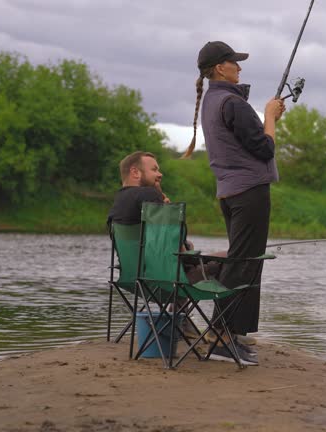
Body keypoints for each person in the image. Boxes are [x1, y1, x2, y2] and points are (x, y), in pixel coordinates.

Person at [182, 41, 284, 360]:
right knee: (244, 265)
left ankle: (226, 332)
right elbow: (265, 149)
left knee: (241, 261)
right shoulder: (233, 102)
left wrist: (266, 119)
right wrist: (270, 117)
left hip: (229, 193)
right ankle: (222, 335)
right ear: (219, 68)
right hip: (249, 193)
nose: (239, 67)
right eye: (234, 62)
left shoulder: (213, 100)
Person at [106, 151, 258, 365]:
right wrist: (163, 203)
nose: (160, 174)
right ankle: (220, 332)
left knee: (191, 258)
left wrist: (183, 246)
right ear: (135, 172)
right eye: (154, 169)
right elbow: (177, 247)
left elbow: (160, 245)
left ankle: (181, 320)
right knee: (234, 258)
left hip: (138, 279)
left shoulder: (118, 203)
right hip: (168, 281)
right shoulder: (148, 196)